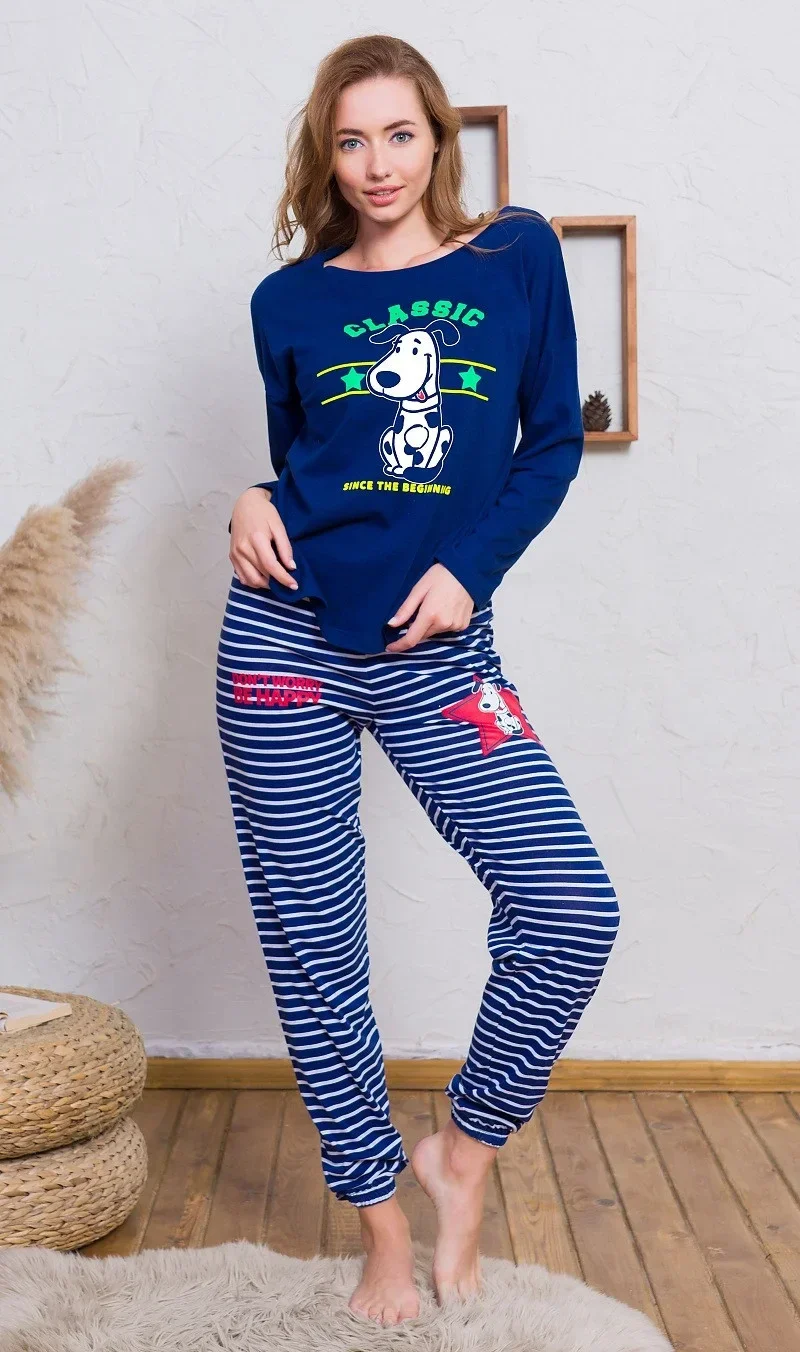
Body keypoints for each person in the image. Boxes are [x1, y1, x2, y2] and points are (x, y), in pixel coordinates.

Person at [216, 32, 620, 1330]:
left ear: (438, 138)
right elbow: (313, 462)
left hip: (438, 649)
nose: (377, 163)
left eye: (399, 134)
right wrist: (252, 497)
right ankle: (382, 1226)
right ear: (324, 155)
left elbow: (549, 447)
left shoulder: (515, 256)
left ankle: (460, 1155)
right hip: (281, 646)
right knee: (316, 951)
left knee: (569, 909)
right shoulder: (288, 301)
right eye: (351, 140)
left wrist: (467, 573)